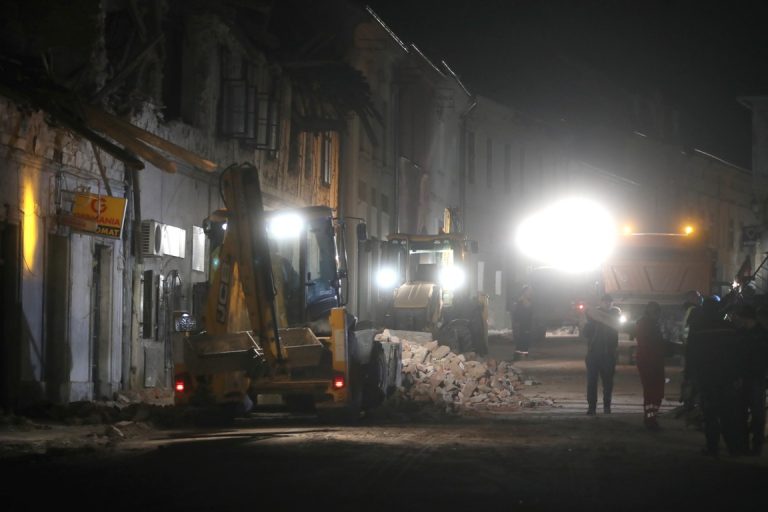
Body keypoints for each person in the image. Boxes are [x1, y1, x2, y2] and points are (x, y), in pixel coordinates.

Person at [686, 297, 743, 456]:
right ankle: (733, 447)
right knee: (728, 414)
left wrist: (689, 377)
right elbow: (737, 355)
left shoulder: (698, 329)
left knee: (710, 414)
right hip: (727, 378)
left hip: (707, 378)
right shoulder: (729, 328)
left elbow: (691, 355)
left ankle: (712, 448)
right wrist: (737, 375)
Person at [732, 303, 768, 456]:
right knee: (751, 413)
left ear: (745, 317)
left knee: (751, 413)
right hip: (753, 379)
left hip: (752, 379)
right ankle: (751, 445)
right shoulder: (761, 334)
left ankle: (750, 445)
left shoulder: (744, 334)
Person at [582, 294, 620, 415]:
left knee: (608, 382)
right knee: (592, 382)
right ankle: (592, 407)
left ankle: (606, 407)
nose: (607, 304)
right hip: (594, 354)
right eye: (605, 302)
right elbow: (586, 333)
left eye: (609, 302)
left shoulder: (614, 316)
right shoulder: (594, 316)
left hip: (608, 354)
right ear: (601, 302)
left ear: (612, 303)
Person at [634, 301, 667, 430]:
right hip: (649, 362)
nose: (657, 315)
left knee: (653, 392)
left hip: (651, 361)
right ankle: (650, 419)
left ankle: (651, 417)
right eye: (656, 312)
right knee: (653, 392)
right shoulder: (647, 324)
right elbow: (652, 343)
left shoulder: (647, 323)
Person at [512, 285, 534, 359]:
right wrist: (517, 323)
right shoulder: (520, 301)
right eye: (529, 291)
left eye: (531, 291)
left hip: (527, 323)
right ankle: (520, 354)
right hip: (522, 324)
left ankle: (521, 354)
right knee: (522, 338)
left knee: (525, 338)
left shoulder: (529, 301)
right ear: (524, 292)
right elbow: (517, 313)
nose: (530, 293)